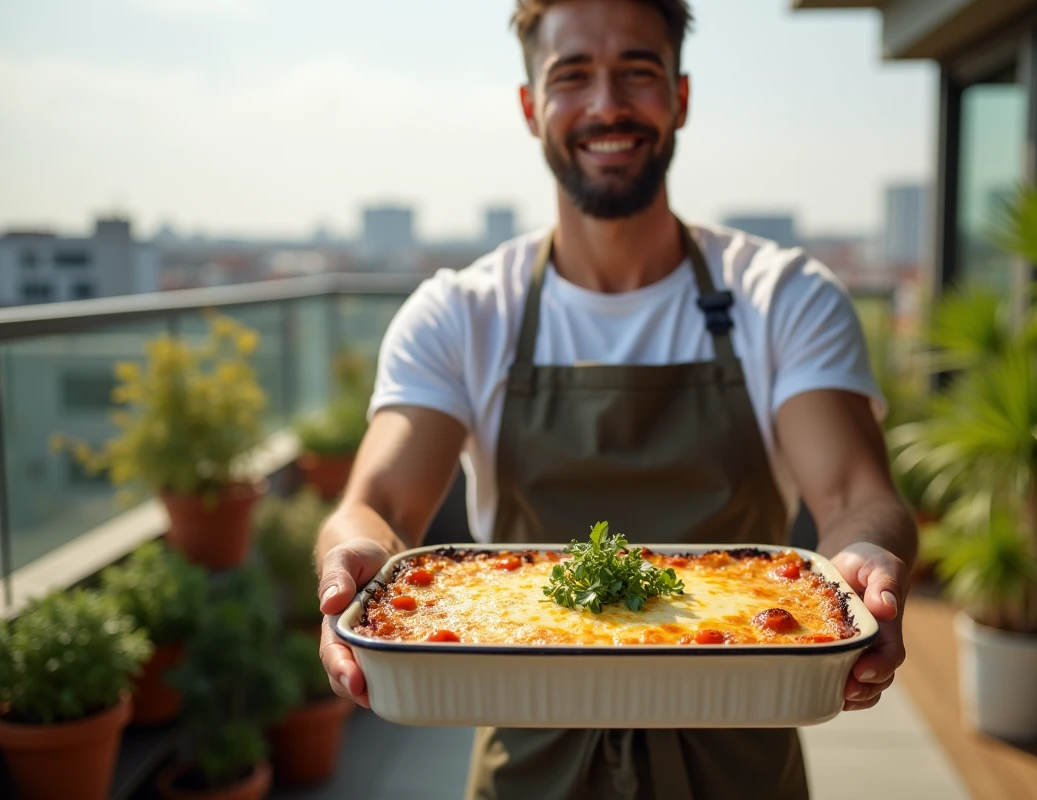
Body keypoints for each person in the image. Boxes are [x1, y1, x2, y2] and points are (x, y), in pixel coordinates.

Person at [315, 0, 916, 797]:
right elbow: (380, 501)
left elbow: (853, 495)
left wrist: (867, 556)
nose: (606, 105)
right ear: (532, 107)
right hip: (527, 765)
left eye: (638, 71)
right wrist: (350, 555)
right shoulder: (460, 311)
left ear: (681, 96)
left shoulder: (784, 296)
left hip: (742, 757)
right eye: (573, 76)